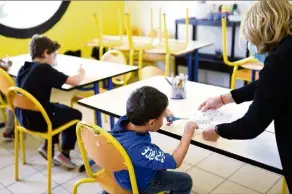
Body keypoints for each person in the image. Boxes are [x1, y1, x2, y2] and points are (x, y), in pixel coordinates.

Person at [198, 0, 292, 192]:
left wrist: (217, 130)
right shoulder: (287, 52)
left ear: (263, 27)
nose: (250, 43)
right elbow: (271, 83)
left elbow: (251, 125)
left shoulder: (280, 58)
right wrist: (225, 98)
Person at [109, 86, 197, 194]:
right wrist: (187, 133)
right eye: (162, 116)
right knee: (186, 181)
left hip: (121, 174)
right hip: (142, 183)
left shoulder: (125, 120)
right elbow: (175, 161)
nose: (164, 117)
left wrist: (163, 111)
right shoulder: (140, 149)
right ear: (151, 122)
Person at [15, 34, 85, 169]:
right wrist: (81, 72)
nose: (54, 59)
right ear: (45, 52)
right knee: (75, 115)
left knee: (57, 108)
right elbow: (75, 81)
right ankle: (64, 153)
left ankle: (48, 147)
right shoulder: (44, 68)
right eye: (54, 55)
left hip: (23, 117)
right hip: (39, 120)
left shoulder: (24, 68)